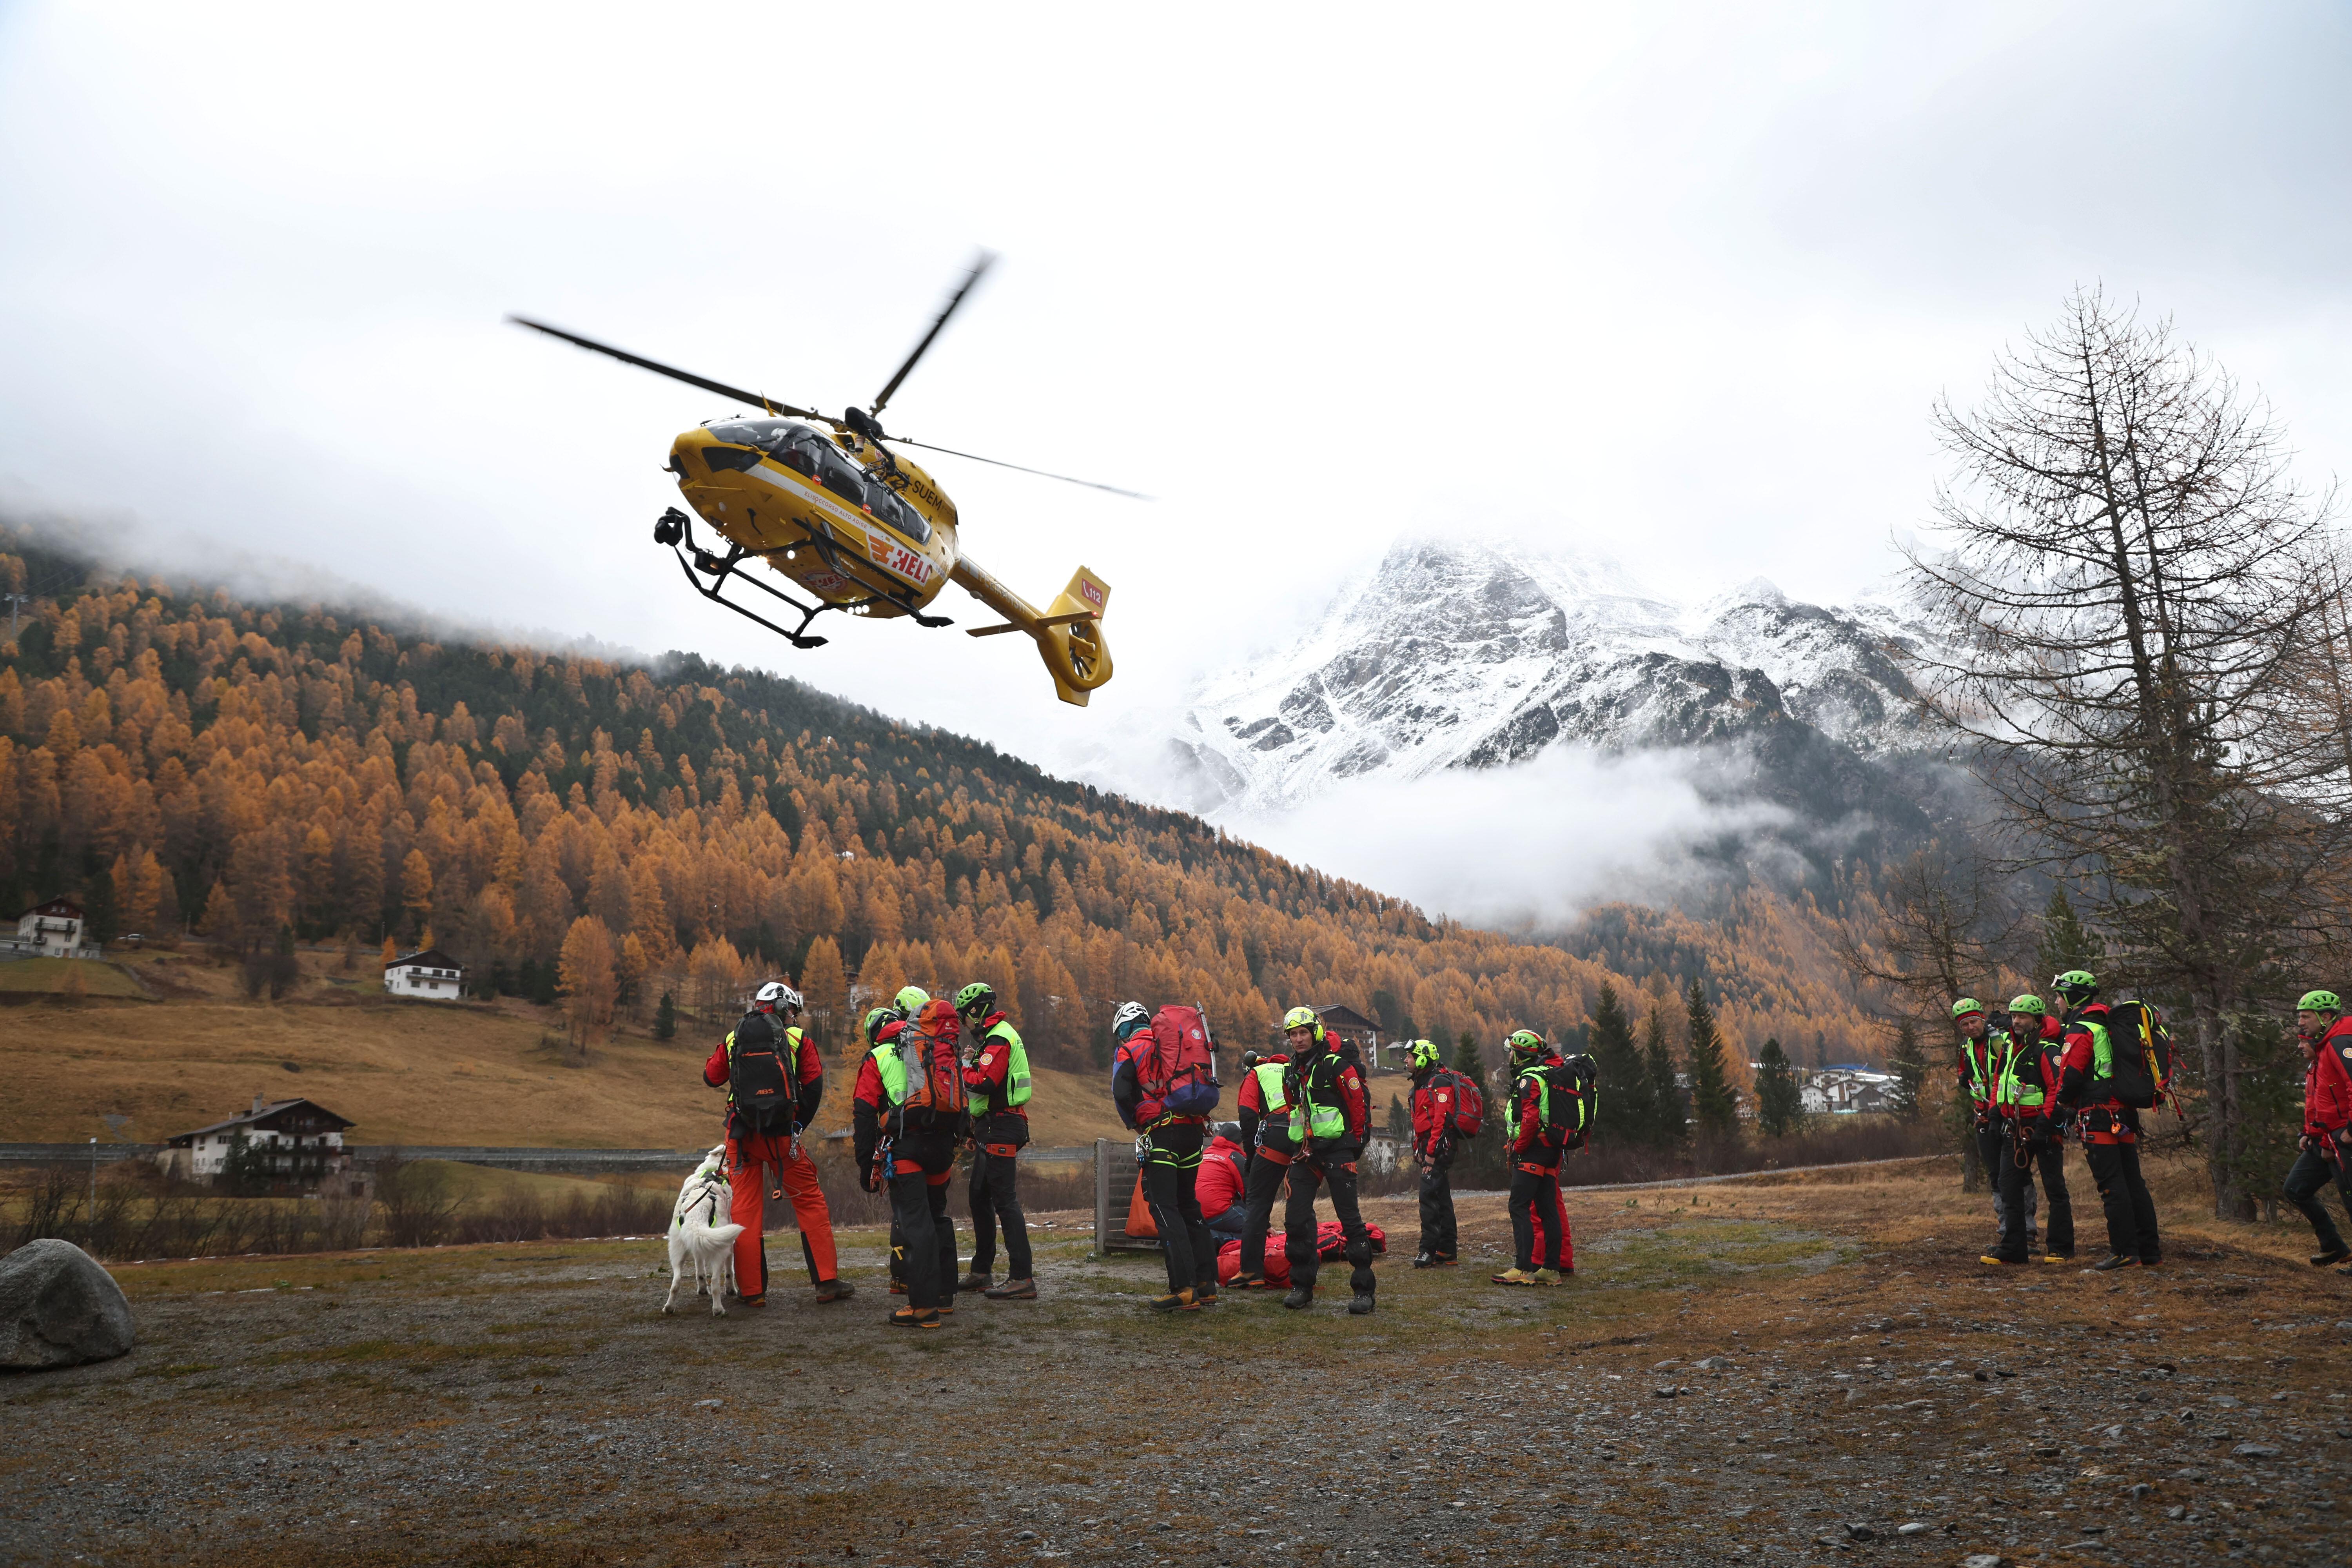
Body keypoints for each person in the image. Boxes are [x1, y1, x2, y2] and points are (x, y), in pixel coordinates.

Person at [700, 980, 853, 1306]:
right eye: (793, 1011)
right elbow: (814, 1087)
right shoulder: (798, 1038)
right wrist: (797, 1126)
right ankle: (827, 1282)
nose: (795, 1017)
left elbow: (711, 1077)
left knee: (745, 1210)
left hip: (742, 1138)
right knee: (810, 1202)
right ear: (784, 1008)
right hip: (783, 1137)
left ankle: (753, 1292)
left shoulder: (734, 1037)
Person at [854, 984, 966, 1328]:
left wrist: (865, 1165)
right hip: (943, 1144)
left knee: (916, 1222)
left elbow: (864, 1115)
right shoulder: (934, 1047)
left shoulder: (877, 1057)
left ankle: (922, 1307)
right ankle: (944, 1296)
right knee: (938, 1217)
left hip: (906, 1147)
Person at [1112, 1000, 1218, 1312]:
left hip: (1162, 1134)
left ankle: (1183, 1289)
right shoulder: (1170, 1043)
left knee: (1164, 1207)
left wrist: (1135, 1122)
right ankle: (1206, 1285)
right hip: (1192, 1131)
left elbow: (1121, 1092)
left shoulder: (1130, 1049)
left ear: (1124, 1028)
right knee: (1188, 1205)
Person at [2052, 969, 2160, 1271]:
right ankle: (2149, 1251)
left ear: (2072, 997)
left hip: (2098, 1115)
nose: (2057, 1002)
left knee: (2111, 1185)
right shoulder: (2110, 1024)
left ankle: (2125, 1252)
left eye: (2060, 996)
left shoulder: (2081, 1028)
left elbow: (2072, 1076)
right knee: (2133, 1181)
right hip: (2124, 1112)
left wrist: (2063, 1104)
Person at [1278, 1005, 1376, 1315]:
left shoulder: (1336, 1065)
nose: (1298, 1039)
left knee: (1350, 1221)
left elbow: (1358, 1105)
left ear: (1315, 1033)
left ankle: (1364, 1291)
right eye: (1293, 1035)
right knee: (1295, 1220)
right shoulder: (1290, 1070)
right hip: (1306, 1152)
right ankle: (1302, 1286)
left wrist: (1355, 1144)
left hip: (1338, 1150)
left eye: (1303, 1033)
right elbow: (1292, 1106)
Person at [952, 982, 1037, 1300]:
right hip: (991, 1126)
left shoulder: (1000, 1037)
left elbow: (986, 1082)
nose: (964, 1024)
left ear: (976, 1011)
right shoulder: (992, 1038)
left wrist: (960, 1068)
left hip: (1003, 1125)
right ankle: (981, 1271)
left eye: (964, 1016)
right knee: (979, 1196)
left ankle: (1022, 1278)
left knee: (1005, 1201)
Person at [1980, 995, 2074, 1265]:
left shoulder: (2046, 1049)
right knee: (2008, 1185)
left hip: (2043, 1129)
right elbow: (2000, 1080)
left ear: (2036, 1019)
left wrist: (2044, 1125)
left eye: (2022, 1017)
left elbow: (2056, 1089)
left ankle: (2061, 1248)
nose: (2016, 1021)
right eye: (2014, 1016)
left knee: (2054, 1187)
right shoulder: (2010, 1046)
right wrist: (1995, 1114)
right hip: (2014, 1128)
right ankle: (2014, 1248)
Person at [1494, 1029, 1577, 1287]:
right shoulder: (1547, 1074)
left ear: (1519, 1055)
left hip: (1533, 1149)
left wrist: (1519, 1148)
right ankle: (1550, 1269)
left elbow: (1530, 1119)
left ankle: (1523, 1268)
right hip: (1551, 1149)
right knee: (1547, 1208)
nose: (1509, 1057)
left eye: (1511, 1052)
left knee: (1518, 1206)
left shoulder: (1528, 1079)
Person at [1955, 998, 2036, 1258]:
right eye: (1964, 1024)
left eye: (1973, 1022)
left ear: (1982, 1019)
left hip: (2006, 1114)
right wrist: (1964, 1079)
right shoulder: (1966, 1047)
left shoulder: (2001, 1040)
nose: (1970, 1028)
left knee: (2017, 1174)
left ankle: (2027, 1232)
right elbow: (1967, 1074)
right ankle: (2007, 1231)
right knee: (1995, 1175)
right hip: (1983, 1116)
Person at [2283, 989, 2352, 1269]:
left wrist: (2350, 1131)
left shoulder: (2339, 1043)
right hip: (2328, 1138)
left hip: (2344, 1137)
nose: (2300, 1024)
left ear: (2325, 1017)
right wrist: (2311, 1135)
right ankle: (2334, 1247)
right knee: (2296, 1188)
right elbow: (2323, 1104)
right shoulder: (2319, 1057)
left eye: (2305, 1017)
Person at [1230, 1042, 1294, 1287]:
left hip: (1276, 1136)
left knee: (1257, 1203)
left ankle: (1251, 1271)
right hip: (1305, 1136)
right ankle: (1303, 1269)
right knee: (1300, 1202)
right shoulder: (1292, 1068)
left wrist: (1251, 1156)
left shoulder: (1256, 1074)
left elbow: (1248, 1115)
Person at [1406, 1038, 1465, 1268]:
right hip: (1429, 1145)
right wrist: (1418, 1148)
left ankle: (1428, 1251)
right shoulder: (1421, 1084)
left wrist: (1431, 1153)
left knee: (1428, 1198)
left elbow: (1441, 1120)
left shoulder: (1439, 1082)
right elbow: (1420, 1120)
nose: (1406, 1060)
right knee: (1441, 1197)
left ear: (1422, 1059)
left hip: (1440, 1146)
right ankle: (1447, 1250)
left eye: (1410, 1056)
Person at [1198, 1122, 1250, 1243]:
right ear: (1239, 1142)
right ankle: (1214, 1238)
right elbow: (1250, 1193)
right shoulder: (1236, 1158)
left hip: (1195, 1212)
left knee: (1238, 1203)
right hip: (1216, 1211)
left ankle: (1203, 1233)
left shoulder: (1207, 1152)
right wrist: (1265, 1223)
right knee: (1256, 1227)